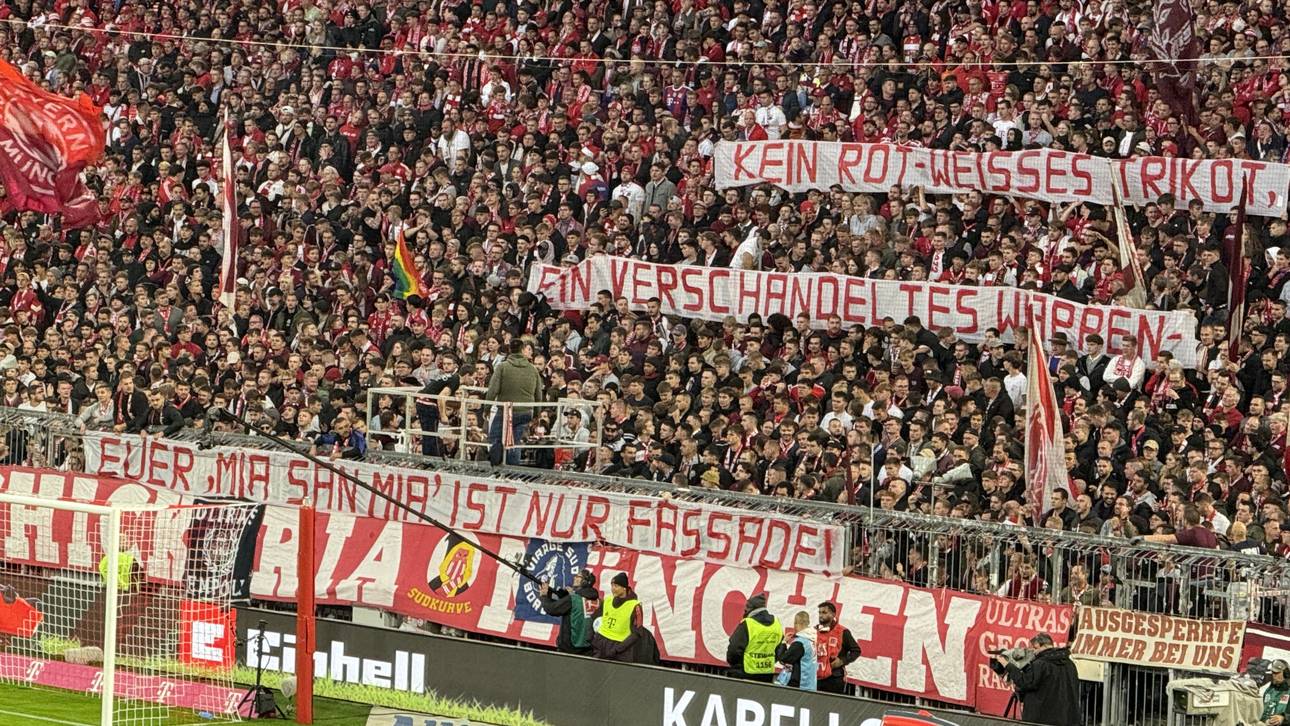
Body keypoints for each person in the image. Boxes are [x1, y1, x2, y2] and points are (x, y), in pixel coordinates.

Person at [995, 633, 1080, 726]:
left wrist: (1007, 665)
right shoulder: (1070, 664)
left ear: (1038, 645)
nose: (1033, 653)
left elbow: (1024, 683)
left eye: (1033, 649)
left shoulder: (1040, 664)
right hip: (1067, 718)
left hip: (1041, 719)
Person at [484, 339, 543, 466]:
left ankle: (496, 467)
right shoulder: (533, 369)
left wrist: (487, 408)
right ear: (522, 350)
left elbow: (493, 390)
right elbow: (538, 394)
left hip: (505, 411)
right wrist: (537, 414)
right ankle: (513, 470)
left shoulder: (502, 367)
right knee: (515, 442)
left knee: (495, 438)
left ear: (510, 350)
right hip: (526, 411)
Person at [591, 573, 655, 664]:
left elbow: (637, 632)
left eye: (616, 586)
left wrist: (618, 649)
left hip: (620, 650)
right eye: (612, 585)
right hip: (601, 646)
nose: (613, 588)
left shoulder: (635, 606)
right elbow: (594, 618)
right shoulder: (607, 600)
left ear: (624, 588)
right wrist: (595, 641)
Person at [538, 569, 600, 656]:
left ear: (585, 582)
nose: (574, 578)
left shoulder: (573, 599)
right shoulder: (598, 601)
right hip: (588, 650)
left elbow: (551, 609)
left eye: (578, 576)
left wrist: (544, 596)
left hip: (569, 650)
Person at [726, 593, 781, 682]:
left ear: (750, 608)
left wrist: (737, 665)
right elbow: (779, 649)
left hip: (744, 673)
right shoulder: (776, 623)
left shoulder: (747, 624)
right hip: (766, 674)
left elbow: (734, 650)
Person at [816, 601, 862, 694]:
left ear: (833, 614)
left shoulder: (843, 632)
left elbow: (856, 650)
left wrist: (842, 661)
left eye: (824, 612)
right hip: (816, 675)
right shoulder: (814, 630)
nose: (821, 615)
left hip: (835, 677)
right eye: (819, 612)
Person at [775, 610, 818, 691]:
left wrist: (784, 642)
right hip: (810, 684)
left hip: (800, 685)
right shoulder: (812, 640)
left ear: (797, 623)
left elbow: (783, 658)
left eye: (795, 623)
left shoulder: (800, 643)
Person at [1262, 659, 1289, 726]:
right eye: (1273, 672)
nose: (1273, 675)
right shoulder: (1269, 689)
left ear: (1286, 674)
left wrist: (1283, 718)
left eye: (1276, 673)